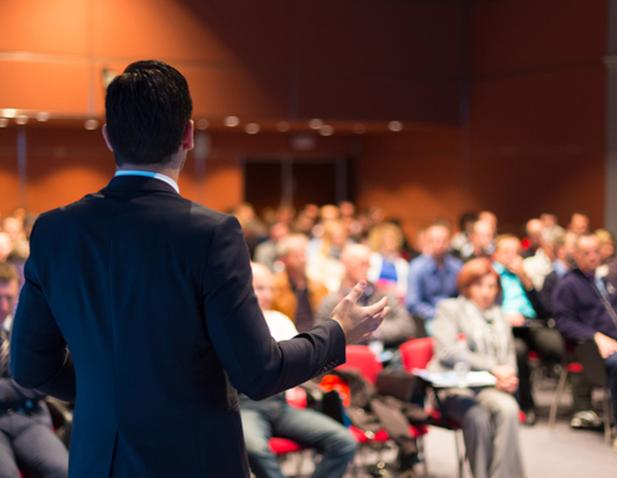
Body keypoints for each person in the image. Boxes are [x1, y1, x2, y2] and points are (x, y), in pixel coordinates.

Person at [9, 60, 389, 478]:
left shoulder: (56, 230)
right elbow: (258, 373)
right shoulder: (211, 234)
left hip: (98, 461)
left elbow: (30, 367)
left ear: (107, 137)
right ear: (188, 134)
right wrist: (336, 332)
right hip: (195, 461)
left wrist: (111, 393)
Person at [241, 263, 357, 478]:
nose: (265, 294)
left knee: (344, 441)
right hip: (248, 406)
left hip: (279, 404)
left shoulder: (279, 319)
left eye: (269, 288)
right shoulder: (235, 325)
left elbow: (304, 362)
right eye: (257, 287)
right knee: (255, 450)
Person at [430, 258, 525, 478]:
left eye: (492, 286)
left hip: (490, 387)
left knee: (509, 408)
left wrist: (509, 376)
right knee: (478, 417)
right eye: (480, 285)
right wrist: (494, 368)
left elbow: (509, 353)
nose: (486, 292)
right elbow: (448, 351)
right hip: (455, 387)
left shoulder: (500, 315)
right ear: (467, 286)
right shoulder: (450, 309)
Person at [0, 263, 68, 478]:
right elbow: (28, 380)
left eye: (9, 298)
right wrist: (19, 383)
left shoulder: (28, 328)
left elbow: (40, 384)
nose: (3, 306)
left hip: (29, 418)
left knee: (65, 471)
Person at [553, 234, 617, 448]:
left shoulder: (607, 281)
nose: (592, 256)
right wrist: (595, 336)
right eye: (586, 253)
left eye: (596, 251)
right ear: (576, 256)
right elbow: (563, 322)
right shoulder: (568, 285)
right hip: (589, 349)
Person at [492, 235, 564, 423]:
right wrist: (504, 316)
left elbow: (544, 310)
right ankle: (526, 405)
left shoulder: (524, 275)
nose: (510, 257)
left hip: (530, 324)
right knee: (518, 352)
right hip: (504, 328)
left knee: (555, 346)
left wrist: (527, 281)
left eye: (515, 252)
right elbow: (487, 307)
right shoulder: (492, 275)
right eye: (505, 252)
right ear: (496, 254)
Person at [318, 244, 415, 348]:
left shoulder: (383, 293)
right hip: (349, 359)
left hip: (387, 355)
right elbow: (323, 339)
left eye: (368, 264)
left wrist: (372, 331)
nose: (366, 268)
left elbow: (407, 326)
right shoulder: (331, 301)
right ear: (345, 264)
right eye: (361, 264)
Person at [406, 223, 462, 336]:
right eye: (435, 241)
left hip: (454, 315)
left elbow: (463, 295)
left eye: (443, 240)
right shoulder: (417, 267)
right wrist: (437, 314)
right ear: (427, 242)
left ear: (449, 242)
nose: (439, 245)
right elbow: (412, 303)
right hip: (429, 317)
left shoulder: (457, 266)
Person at [271, 234, 330, 332]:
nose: (303, 260)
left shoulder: (320, 287)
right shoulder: (274, 287)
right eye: (297, 256)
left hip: (317, 336)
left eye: (304, 255)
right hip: (289, 338)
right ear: (284, 259)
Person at [367, 222, 410, 298]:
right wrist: (384, 286)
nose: (391, 241)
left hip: (396, 299)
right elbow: (369, 280)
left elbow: (405, 288)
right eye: (388, 238)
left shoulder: (402, 264)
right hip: (373, 297)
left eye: (394, 238)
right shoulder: (372, 258)